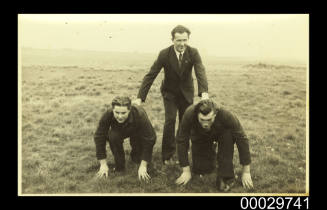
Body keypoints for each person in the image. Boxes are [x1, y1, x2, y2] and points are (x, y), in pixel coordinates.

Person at [133, 25, 209, 165]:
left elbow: (200, 72)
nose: (182, 44)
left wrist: (204, 92)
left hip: (187, 92)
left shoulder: (193, 53)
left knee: (185, 121)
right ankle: (167, 155)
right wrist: (140, 97)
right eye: (178, 40)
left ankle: (182, 150)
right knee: (170, 120)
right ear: (172, 39)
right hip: (170, 93)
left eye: (184, 40)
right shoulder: (164, 54)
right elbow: (151, 75)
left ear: (188, 39)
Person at [175, 99, 254, 191]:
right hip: (199, 135)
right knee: (202, 169)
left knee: (228, 134)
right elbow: (182, 140)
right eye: (202, 120)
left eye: (209, 120)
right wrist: (186, 171)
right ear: (197, 115)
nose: (205, 124)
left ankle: (226, 174)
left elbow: (242, 139)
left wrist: (246, 172)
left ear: (215, 115)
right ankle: (210, 152)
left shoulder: (226, 115)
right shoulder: (189, 113)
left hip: (222, 134)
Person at [93, 96, 156, 182]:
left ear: (129, 110)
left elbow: (150, 138)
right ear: (113, 110)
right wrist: (103, 164)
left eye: (123, 113)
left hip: (136, 130)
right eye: (117, 112)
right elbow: (99, 136)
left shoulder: (139, 114)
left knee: (137, 158)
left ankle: (136, 155)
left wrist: (143, 166)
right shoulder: (108, 114)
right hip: (118, 130)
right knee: (113, 137)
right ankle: (120, 166)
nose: (120, 116)